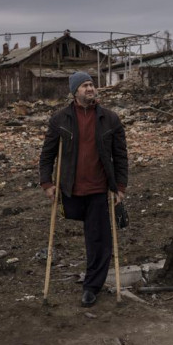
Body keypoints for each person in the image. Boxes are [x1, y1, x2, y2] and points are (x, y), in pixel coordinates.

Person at [39, 72, 128, 307]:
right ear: (75, 91)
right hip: (70, 189)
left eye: (91, 84)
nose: (90, 89)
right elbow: (47, 154)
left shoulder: (110, 119)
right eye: (85, 85)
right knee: (79, 229)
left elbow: (120, 156)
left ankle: (91, 286)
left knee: (99, 240)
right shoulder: (60, 119)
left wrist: (120, 187)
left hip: (99, 189)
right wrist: (47, 183)